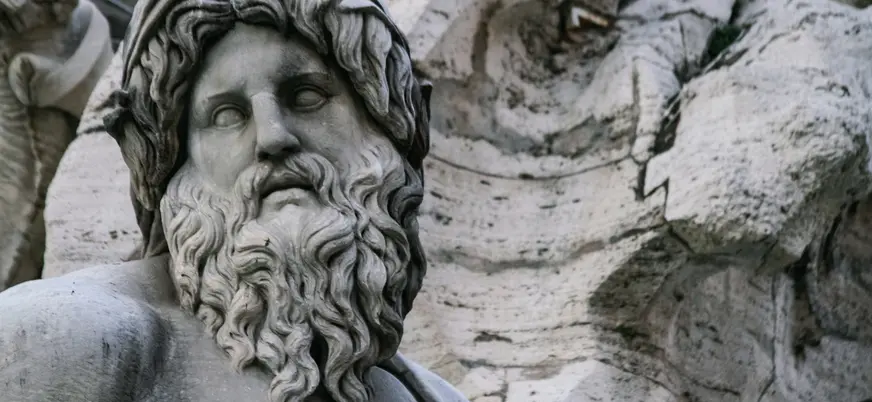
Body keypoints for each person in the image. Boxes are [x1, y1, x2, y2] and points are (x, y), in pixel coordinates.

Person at [0, 1, 467, 401]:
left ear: (390, 126)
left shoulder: (432, 396)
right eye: (226, 115)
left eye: (307, 95)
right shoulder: (59, 337)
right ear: (170, 161)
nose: (273, 138)